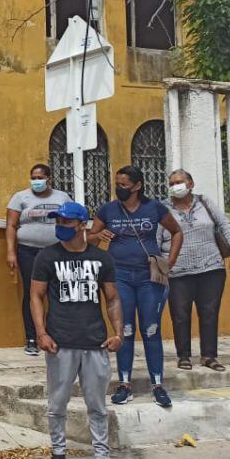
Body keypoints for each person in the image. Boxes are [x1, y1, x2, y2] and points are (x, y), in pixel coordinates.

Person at [30, 201, 127, 459]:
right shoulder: (47, 257)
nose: (60, 226)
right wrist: (41, 333)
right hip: (60, 342)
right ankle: (58, 454)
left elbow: (112, 299)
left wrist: (118, 333)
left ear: (82, 225)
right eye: (58, 221)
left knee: (97, 404)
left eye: (66, 222)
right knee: (57, 403)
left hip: (95, 342)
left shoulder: (101, 259)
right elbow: (36, 296)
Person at [89, 166, 183, 408]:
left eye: (124, 185)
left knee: (151, 329)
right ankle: (124, 385)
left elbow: (176, 232)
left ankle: (158, 385)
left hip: (149, 277)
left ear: (138, 186)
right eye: (117, 184)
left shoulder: (154, 208)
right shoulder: (108, 209)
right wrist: (99, 236)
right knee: (125, 330)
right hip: (119, 276)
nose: (119, 188)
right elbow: (89, 238)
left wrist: (170, 262)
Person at [161, 169, 230, 372]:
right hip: (177, 271)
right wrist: (159, 267)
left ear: (190, 184)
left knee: (209, 312)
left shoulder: (204, 202)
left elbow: (224, 225)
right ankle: (183, 356)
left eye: (179, 182)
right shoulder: (162, 209)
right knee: (180, 314)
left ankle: (209, 356)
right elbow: (155, 238)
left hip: (211, 268)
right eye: (172, 183)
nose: (175, 186)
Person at [6, 164, 72, 356]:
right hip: (28, 251)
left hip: (57, 251)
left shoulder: (62, 197)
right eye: (33, 178)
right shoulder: (20, 197)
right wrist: (11, 251)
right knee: (32, 292)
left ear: (49, 178)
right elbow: (11, 225)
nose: (36, 181)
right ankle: (32, 338)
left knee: (58, 292)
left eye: (40, 177)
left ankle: (56, 335)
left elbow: (72, 221)